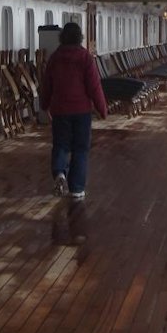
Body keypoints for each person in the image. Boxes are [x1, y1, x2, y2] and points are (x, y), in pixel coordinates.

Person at [40, 22, 108, 203]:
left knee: (61, 144)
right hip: (81, 111)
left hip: (60, 110)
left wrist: (44, 105)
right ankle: (77, 189)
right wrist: (102, 108)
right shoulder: (85, 57)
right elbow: (94, 86)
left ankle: (60, 172)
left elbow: (47, 84)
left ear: (62, 37)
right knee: (80, 148)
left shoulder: (55, 58)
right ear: (80, 37)